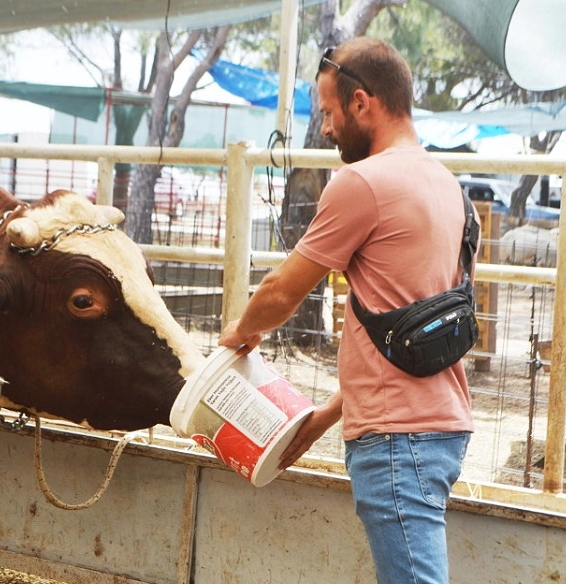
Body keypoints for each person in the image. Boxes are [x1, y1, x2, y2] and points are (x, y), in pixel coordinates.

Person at [219, 37, 474, 584]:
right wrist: (323, 421)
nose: (327, 129)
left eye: (330, 112)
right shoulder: (445, 184)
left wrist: (240, 333)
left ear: (363, 102)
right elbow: (400, 330)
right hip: (441, 422)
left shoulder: (362, 182)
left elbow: (282, 293)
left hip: (397, 439)